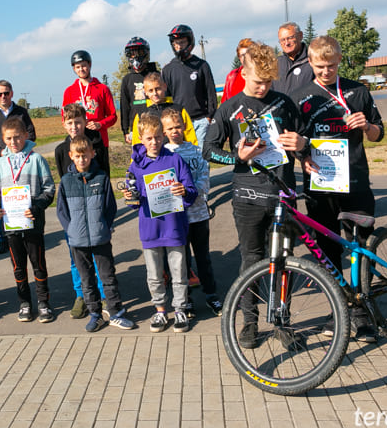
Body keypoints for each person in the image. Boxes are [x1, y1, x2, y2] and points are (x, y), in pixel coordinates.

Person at [203, 42, 307, 348]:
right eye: (257, 81)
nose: (263, 87)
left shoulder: (285, 103)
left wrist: (303, 145)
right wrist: (239, 157)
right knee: (251, 259)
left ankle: (282, 320)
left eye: (268, 82)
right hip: (247, 197)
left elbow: (305, 142)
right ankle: (249, 321)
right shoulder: (229, 108)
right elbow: (208, 151)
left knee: (283, 259)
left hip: (283, 194)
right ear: (243, 73)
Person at [292, 35, 384, 342]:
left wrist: (366, 127)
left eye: (331, 65)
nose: (326, 71)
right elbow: (295, 140)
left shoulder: (358, 91)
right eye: (319, 66)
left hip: (356, 180)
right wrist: (302, 156)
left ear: (340, 60)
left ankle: (364, 312)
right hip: (320, 184)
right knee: (327, 252)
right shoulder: (302, 96)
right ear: (310, 63)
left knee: (358, 248)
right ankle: (340, 311)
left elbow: (378, 134)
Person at [122, 112, 198, 334]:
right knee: (154, 275)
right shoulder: (136, 166)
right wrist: (131, 198)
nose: (154, 142)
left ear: (163, 136)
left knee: (179, 272)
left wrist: (183, 190)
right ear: (140, 139)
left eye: (157, 137)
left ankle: (181, 308)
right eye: (148, 138)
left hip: (174, 226)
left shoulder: (175, 159)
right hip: (150, 229)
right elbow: (133, 202)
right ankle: (160, 309)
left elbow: (191, 192)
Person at [56, 136, 135, 332]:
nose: (82, 159)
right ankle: (95, 314)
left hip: (101, 238)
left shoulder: (101, 178)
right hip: (78, 241)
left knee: (108, 277)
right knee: (86, 279)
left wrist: (104, 226)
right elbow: (61, 211)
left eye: (85, 155)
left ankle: (116, 312)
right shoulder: (66, 182)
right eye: (77, 156)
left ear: (92, 154)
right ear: (71, 156)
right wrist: (71, 229)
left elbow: (110, 208)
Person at [0, 117, 56, 323]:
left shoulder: (36, 159)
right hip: (10, 226)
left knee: (38, 264)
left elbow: (49, 188)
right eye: (9, 138)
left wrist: (36, 207)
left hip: (33, 224)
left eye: (17, 137)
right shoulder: (1, 163)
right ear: (3, 139)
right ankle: (25, 303)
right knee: (18, 267)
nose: (13, 142)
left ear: (25, 136)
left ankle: (44, 302)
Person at [161, 108, 222, 317]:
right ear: (164, 131)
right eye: (170, 128)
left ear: (185, 126)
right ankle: (185, 300)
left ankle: (211, 294)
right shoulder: (163, 155)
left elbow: (205, 182)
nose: (175, 131)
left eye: (178, 126)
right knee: (181, 260)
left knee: (203, 258)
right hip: (176, 219)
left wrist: (188, 191)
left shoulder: (197, 151)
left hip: (199, 215)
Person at [54, 103, 107, 319]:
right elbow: (64, 183)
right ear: (64, 125)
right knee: (75, 259)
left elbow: (105, 178)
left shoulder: (97, 145)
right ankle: (81, 295)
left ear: (85, 122)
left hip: (94, 211)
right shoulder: (60, 151)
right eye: (70, 123)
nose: (74, 126)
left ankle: (101, 295)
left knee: (98, 257)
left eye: (78, 122)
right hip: (75, 215)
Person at [0, 80, 36, 254]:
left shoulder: (21, 112)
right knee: (2, 200)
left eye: (6, 93)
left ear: (12, 93)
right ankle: (4, 238)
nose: (3, 97)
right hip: (1, 164)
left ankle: (25, 231)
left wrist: (21, 150)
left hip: (22, 163)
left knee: (22, 197)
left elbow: (32, 134)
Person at [163, 24, 218, 146]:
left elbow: (211, 93)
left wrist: (209, 117)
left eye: (182, 42)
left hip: (200, 121)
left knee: (201, 159)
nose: (178, 46)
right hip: (178, 123)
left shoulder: (202, 65)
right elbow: (166, 98)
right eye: (175, 44)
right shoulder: (168, 69)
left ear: (190, 42)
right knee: (181, 159)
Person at [61, 50, 117, 165]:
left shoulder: (102, 89)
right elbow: (64, 117)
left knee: (102, 174)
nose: (81, 69)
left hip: (99, 140)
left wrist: (100, 124)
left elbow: (113, 116)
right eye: (77, 67)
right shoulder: (69, 91)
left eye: (84, 66)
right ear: (74, 69)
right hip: (78, 141)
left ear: (90, 65)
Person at [130, 72, 198, 146]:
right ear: (145, 92)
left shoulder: (178, 110)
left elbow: (190, 135)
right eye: (151, 90)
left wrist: (194, 153)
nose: (155, 93)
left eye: (158, 89)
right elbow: (136, 142)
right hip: (154, 156)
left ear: (164, 87)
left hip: (178, 154)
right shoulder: (141, 115)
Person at [120, 36, 159, 144]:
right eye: (132, 54)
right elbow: (125, 106)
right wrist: (125, 130)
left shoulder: (156, 76)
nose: (136, 57)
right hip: (136, 127)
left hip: (157, 124)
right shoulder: (127, 79)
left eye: (139, 53)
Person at [271, 22, 314, 96]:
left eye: (290, 38)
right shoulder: (275, 65)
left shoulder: (314, 62)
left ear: (300, 36)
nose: (286, 43)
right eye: (282, 40)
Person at [221, 38, 254, 103]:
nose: (245, 58)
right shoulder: (232, 76)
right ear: (239, 57)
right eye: (242, 55)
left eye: (248, 54)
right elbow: (225, 102)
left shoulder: (261, 75)